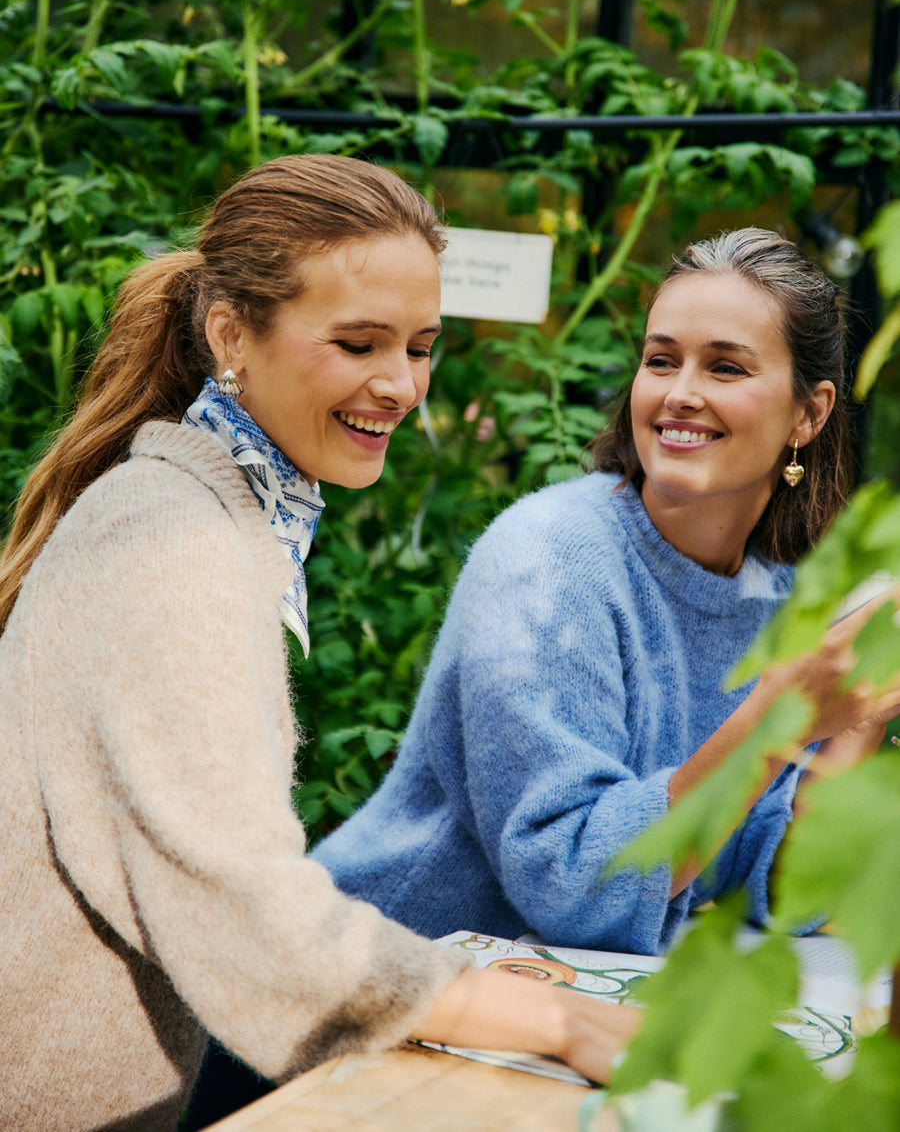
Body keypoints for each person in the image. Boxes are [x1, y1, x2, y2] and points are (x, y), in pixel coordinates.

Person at [0, 154, 638, 1132]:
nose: (401, 384)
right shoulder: (176, 541)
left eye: (422, 346)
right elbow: (251, 919)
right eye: (357, 342)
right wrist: (550, 1015)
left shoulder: (206, 507)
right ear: (229, 334)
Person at [314, 227, 900, 956]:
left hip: (548, 1017)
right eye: (661, 360)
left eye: (725, 368)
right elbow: (575, 887)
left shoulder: (781, 593)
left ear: (808, 414)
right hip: (367, 985)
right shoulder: (548, 559)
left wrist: (857, 711)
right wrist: (781, 716)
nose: (681, 394)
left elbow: (783, 890)